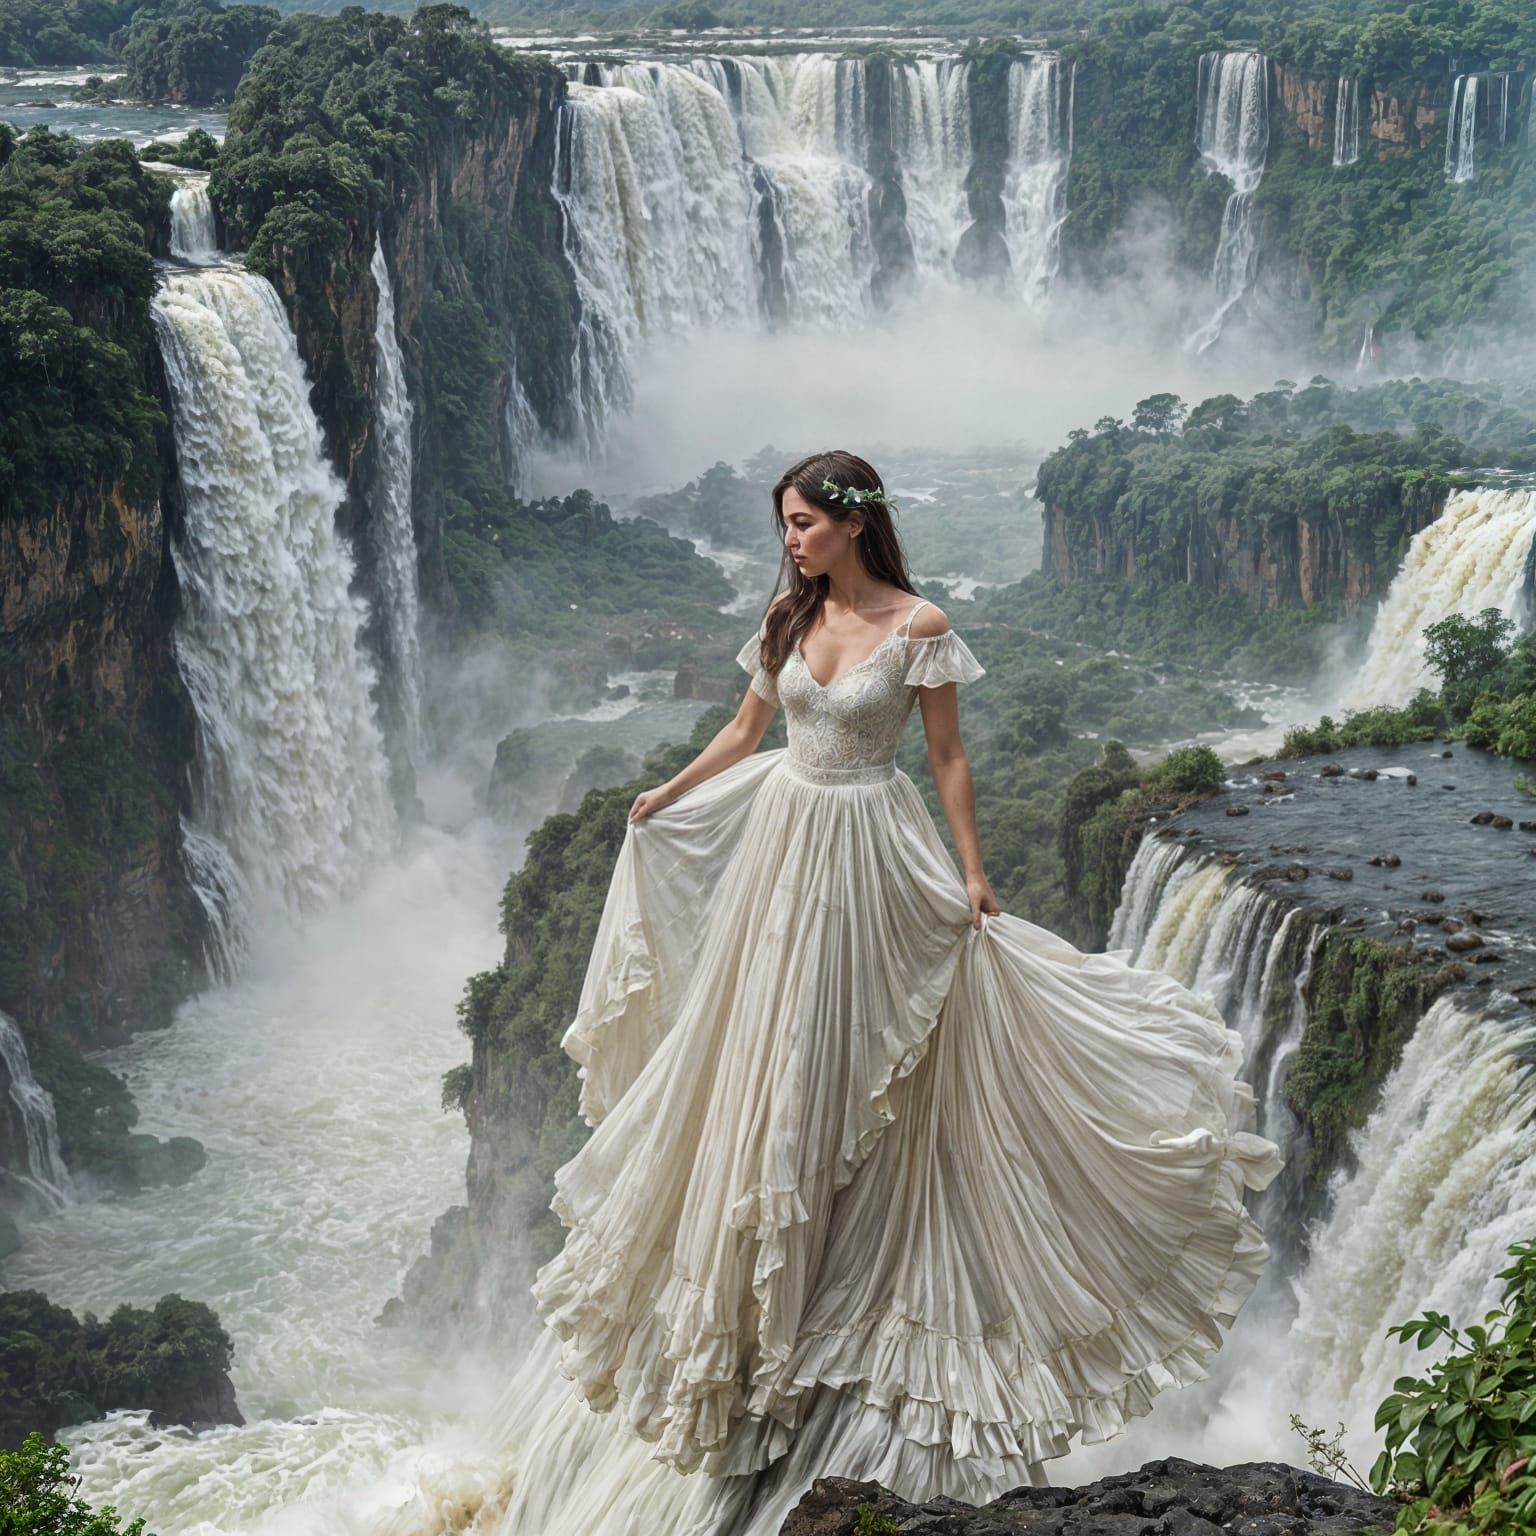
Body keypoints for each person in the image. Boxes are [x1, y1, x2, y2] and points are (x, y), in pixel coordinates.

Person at [476, 450, 1283, 1536]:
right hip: (783, 849)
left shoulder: (919, 627)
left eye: (806, 522)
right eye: (786, 525)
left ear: (856, 525)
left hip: (873, 855)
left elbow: (947, 758)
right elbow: (746, 731)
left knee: (861, 1064)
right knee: (773, 1055)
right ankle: (770, 1310)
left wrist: (975, 871)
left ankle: (848, 1300)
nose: (793, 540)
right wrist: (668, 790)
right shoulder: (784, 619)